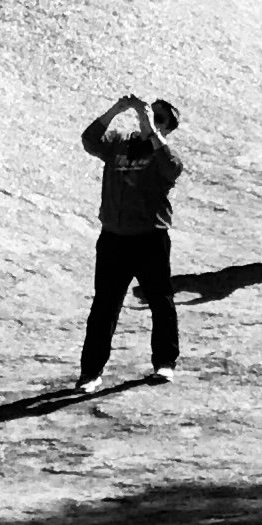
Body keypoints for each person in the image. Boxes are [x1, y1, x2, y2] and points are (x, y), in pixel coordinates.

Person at [78, 92, 182, 386]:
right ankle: (91, 372)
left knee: (161, 302)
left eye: (158, 118)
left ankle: (164, 362)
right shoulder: (119, 144)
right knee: (104, 306)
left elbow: (172, 168)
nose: (149, 119)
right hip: (114, 238)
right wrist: (116, 109)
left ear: (166, 128)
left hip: (150, 238)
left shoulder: (165, 155)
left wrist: (149, 126)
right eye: (151, 112)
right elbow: (89, 140)